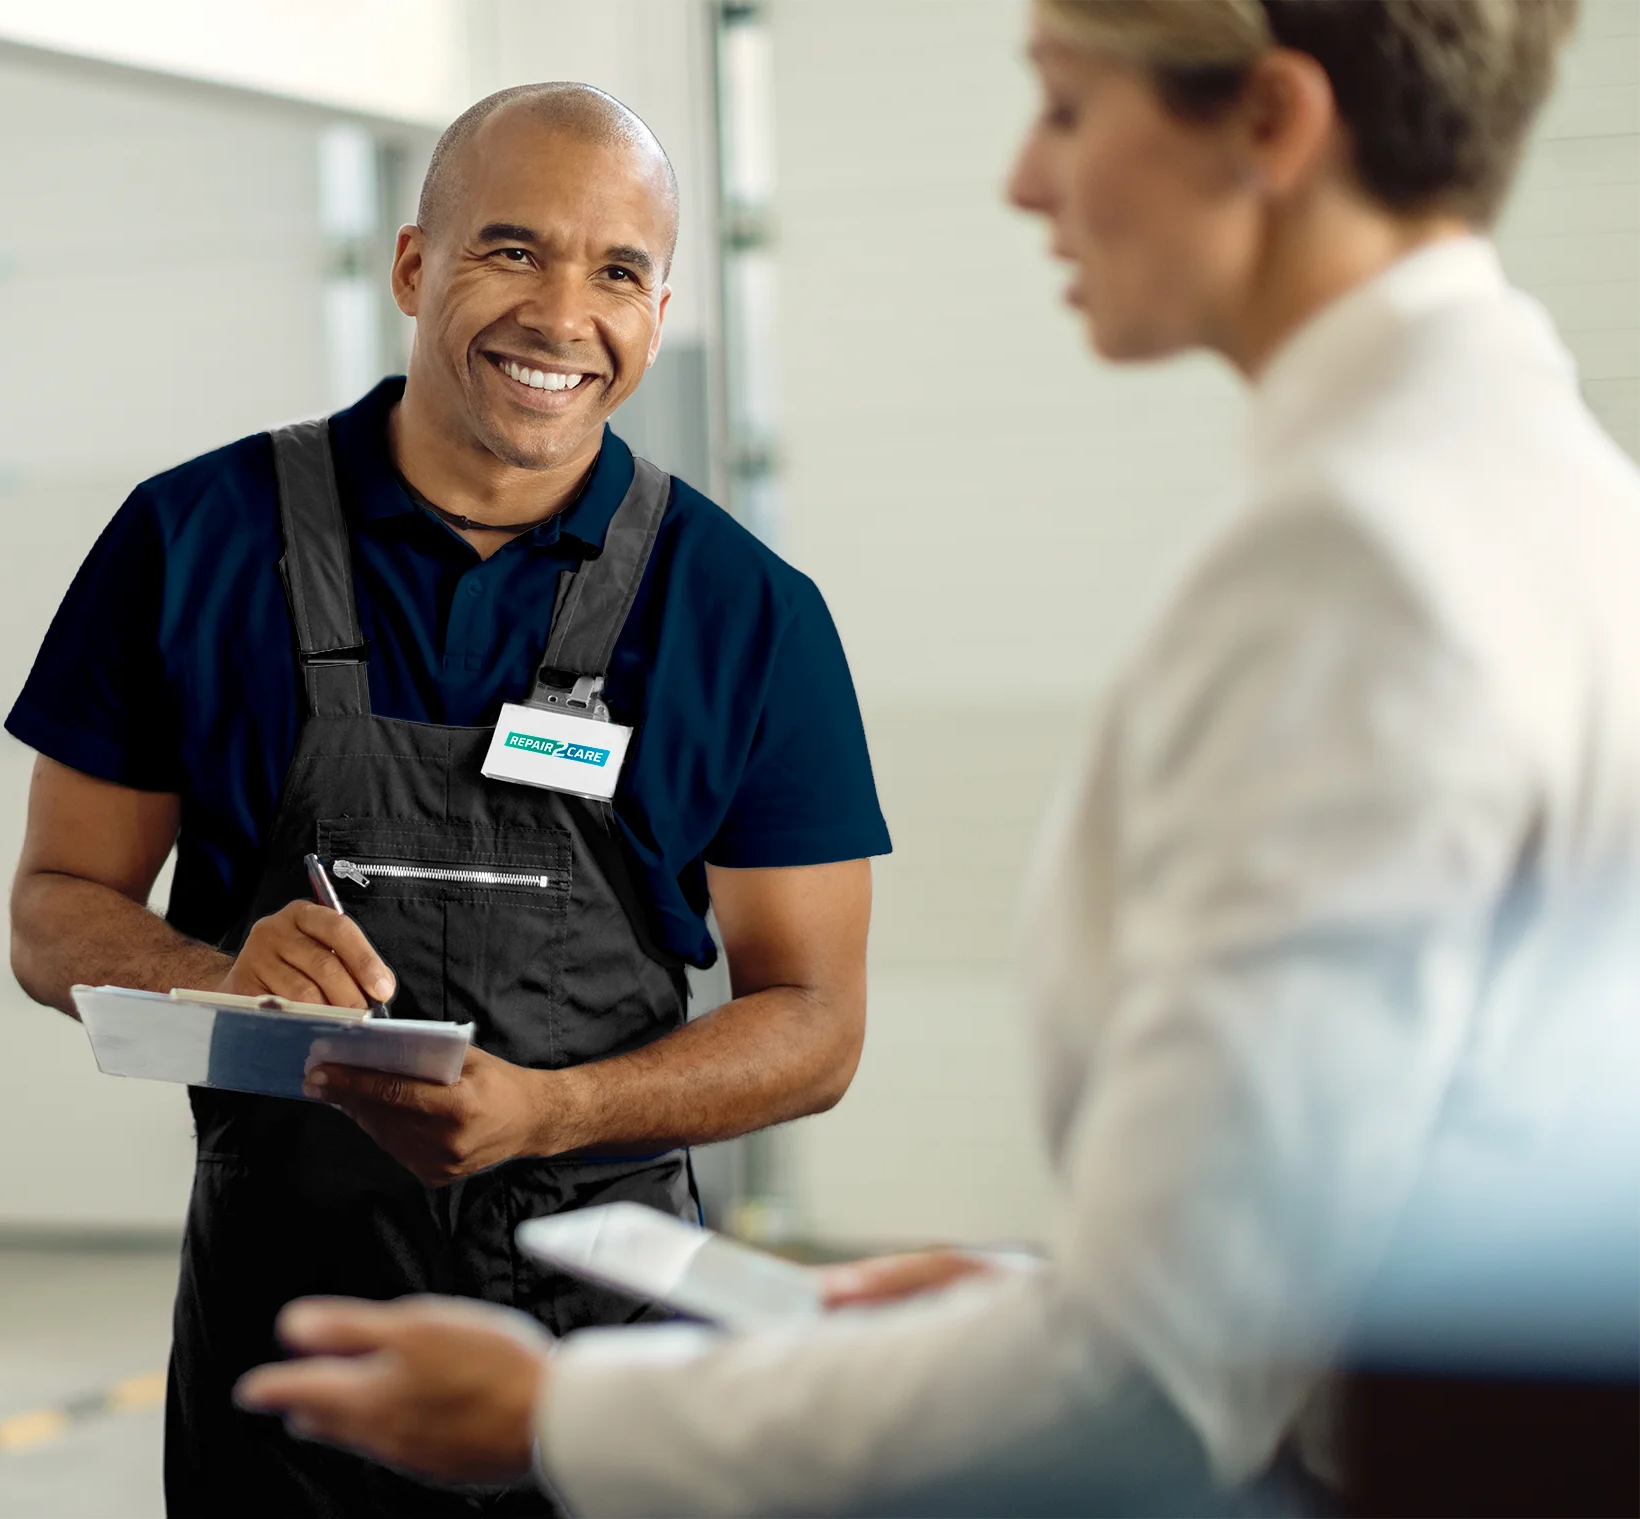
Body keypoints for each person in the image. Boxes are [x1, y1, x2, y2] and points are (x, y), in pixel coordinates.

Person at [236, 0, 1640, 1513]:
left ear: (1272, 125)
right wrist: (1044, 1296)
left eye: (1067, 108)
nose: (1027, 180)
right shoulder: (1550, 493)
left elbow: (1154, 1385)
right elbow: (1385, 1202)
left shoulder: (1358, 565)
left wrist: (565, 1417)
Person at [4, 83, 893, 1516]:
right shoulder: (191, 543)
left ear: (659, 311)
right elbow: (55, 915)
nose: (562, 315)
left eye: (618, 272)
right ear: (413, 265)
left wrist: (552, 1112)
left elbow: (819, 1023)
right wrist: (219, 974)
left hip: (613, 1367)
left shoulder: (744, 612)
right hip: (287, 1351)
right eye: (513, 250)